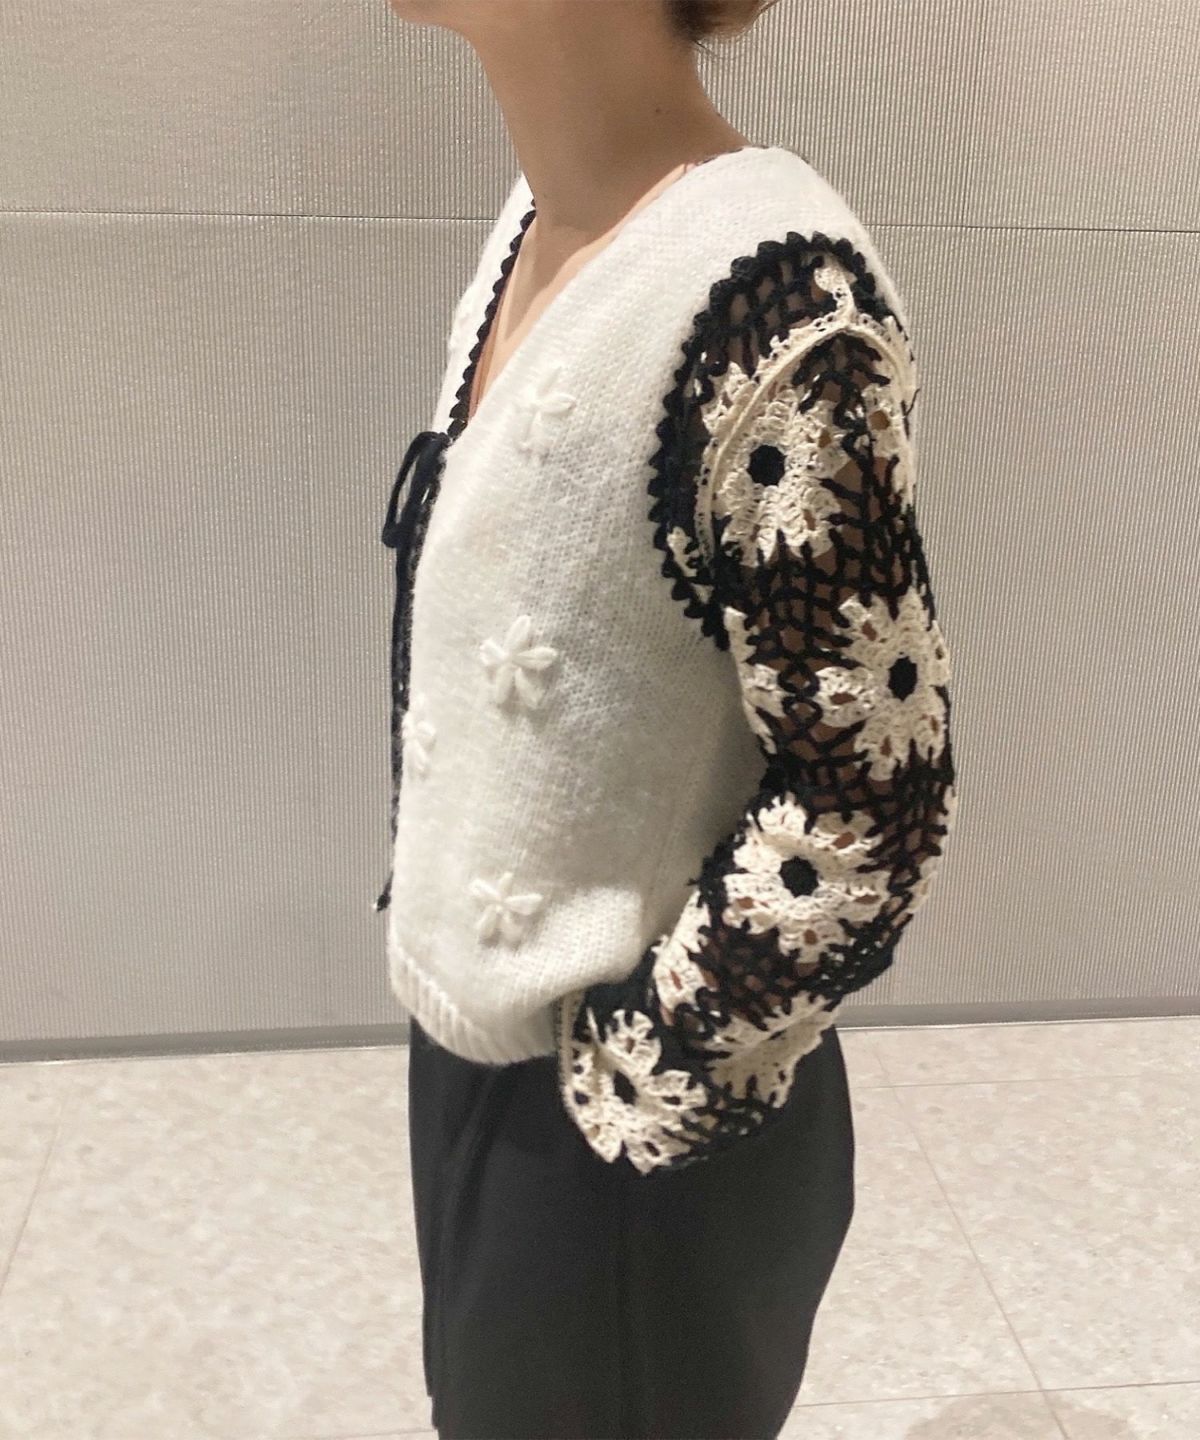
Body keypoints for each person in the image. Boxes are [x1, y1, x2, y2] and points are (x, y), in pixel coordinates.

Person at [380, 3, 959, 1436]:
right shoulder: (541, 225)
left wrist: (634, 1089)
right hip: (490, 1064)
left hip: (630, 1150)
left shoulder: (779, 309)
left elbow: (873, 788)